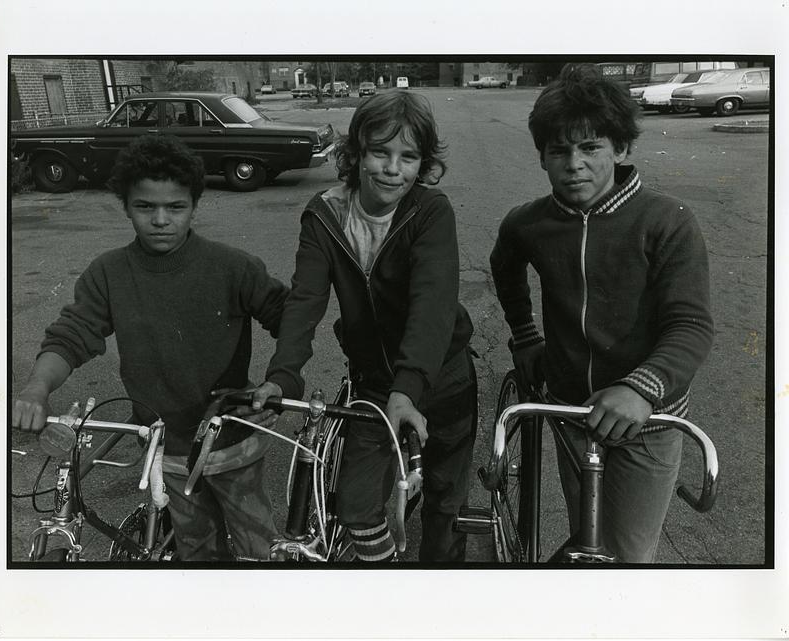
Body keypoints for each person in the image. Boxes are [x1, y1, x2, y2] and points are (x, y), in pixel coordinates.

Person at [12, 134, 289, 562]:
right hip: (166, 447)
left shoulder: (233, 267)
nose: (161, 219)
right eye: (145, 207)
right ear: (126, 205)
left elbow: (288, 320)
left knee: (259, 545)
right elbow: (71, 335)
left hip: (232, 441)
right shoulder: (109, 274)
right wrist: (36, 388)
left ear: (195, 206)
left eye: (175, 207)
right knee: (195, 548)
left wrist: (280, 379)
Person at [490, 64, 714, 563]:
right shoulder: (529, 223)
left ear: (620, 148)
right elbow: (504, 267)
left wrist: (641, 388)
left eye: (591, 148)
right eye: (559, 151)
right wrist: (525, 336)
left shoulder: (666, 221)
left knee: (629, 555)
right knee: (589, 540)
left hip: (650, 420)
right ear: (542, 157)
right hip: (572, 411)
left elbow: (691, 324)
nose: (575, 164)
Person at [251, 91, 477, 563]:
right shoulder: (325, 214)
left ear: (423, 164)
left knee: (444, 502)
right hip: (374, 384)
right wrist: (283, 374)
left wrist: (410, 386)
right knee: (355, 507)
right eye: (380, 152)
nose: (393, 168)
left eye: (409, 157)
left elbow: (432, 304)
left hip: (442, 378)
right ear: (355, 153)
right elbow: (306, 300)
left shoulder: (430, 212)